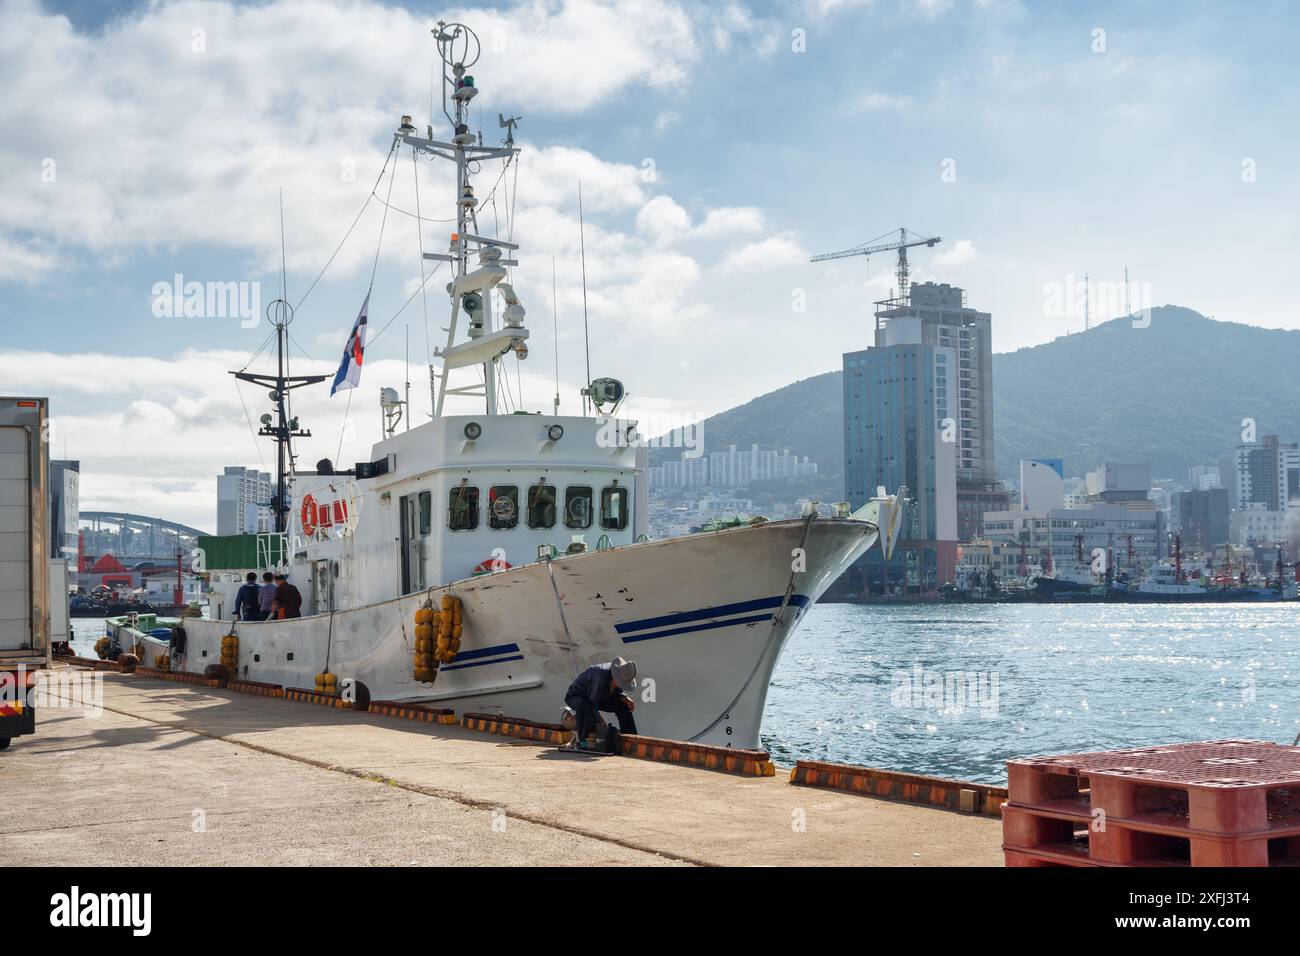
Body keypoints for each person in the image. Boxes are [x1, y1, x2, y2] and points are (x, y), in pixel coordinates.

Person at [561, 656, 637, 750]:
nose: (621, 685)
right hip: (577, 696)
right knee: (586, 709)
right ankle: (583, 742)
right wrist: (603, 725)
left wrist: (624, 697)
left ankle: (631, 739)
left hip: (599, 697)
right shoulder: (600, 675)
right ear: (615, 676)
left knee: (624, 706)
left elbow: (616, 690)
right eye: (621, 683)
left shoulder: (619, 672)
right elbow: (593, 703)